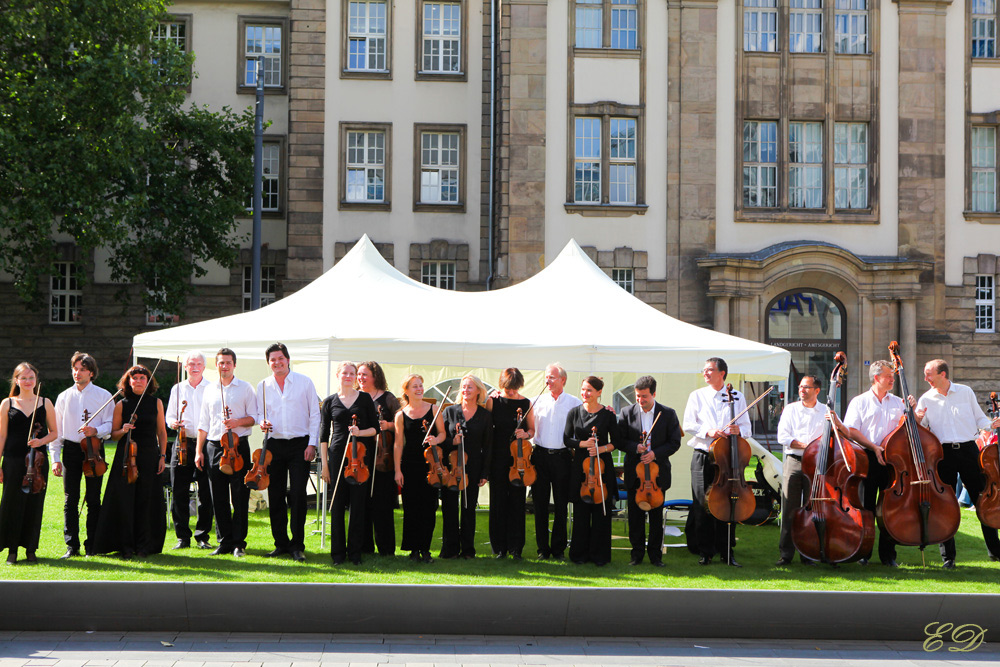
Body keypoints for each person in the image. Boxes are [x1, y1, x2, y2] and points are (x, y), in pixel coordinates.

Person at [915, 359, 1000, 567]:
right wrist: (916, 419)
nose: (925, 379)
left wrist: (991, 424)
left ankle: (995, 550)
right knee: (945, 505)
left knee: (982, 500)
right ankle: (948, 558)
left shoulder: (965, 392)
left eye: (929, 374)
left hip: (969, 451)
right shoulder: (925, 399)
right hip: (943, 455)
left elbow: (980, 419)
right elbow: (920, 431)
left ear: (942, 374)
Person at [830, 360, 903, 566]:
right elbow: (852, 430)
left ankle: (888, 556)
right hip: (867, 458)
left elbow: (903, 429)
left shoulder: (898, 402)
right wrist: (874, 447)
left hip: (892, 460)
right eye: (889, 375)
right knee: (868, 507)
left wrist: (913, 414)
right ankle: (865, 552)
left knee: (890, 509)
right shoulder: (859, 401)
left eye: (893, 375)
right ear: (877, 377)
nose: (892, 379)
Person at [91, 365, 169, 558]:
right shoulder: (121, 404)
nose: (139, 381)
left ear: (148, 381)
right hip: (126, 457)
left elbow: (161, 432)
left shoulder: (156, 403)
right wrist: (123, 430)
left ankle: (144, 545)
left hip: (150, 455)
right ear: (129, 381)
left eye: (143, 378)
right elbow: (113, 435)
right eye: (135, 378)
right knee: (125, 501)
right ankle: (126, 545)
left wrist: (163, 456)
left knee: (146, 499)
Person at [682, 357, 750, 567]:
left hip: (728, 458)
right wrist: (709, 431)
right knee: (702, 504)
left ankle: (726, 551)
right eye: (704, 370)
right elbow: (688, 424)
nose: (706, 373)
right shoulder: (697, 396)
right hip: (704, 454)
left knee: (728, 502)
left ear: (722, 373)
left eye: (710, 370)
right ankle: (705, 551)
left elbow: (747, 429)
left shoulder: (736, 397)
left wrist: (739, 430)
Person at [257, 343, 320, 563]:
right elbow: (258, 414)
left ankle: (297, 545)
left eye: (280, 358)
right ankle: (280, 544)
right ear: (268, 363)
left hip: (300, 445)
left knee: (298, 496)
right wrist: (261, 421)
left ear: (288, 359)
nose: (277, 362)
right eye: (272, 360)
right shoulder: (263, 386)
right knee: (275, 495)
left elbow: (315, 415)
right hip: (274, 445)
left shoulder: (304, 382)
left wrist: (312, 444)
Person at [52, 352, 114, 559]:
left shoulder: (104, 396)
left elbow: (110, 425)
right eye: (75, 369)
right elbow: (57, 431)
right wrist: (55, 459)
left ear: (91, 372)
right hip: (70, 449)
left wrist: (95, 430)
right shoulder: (63, 397)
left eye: (82, 369)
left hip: (94, 450)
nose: (77, 373)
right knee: (71, 499)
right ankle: (72, 546)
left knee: (94, 499)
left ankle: (92, 544)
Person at [196, 348, 257, 557]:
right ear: (217, 365)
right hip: (214, 445)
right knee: (218, 497)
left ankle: (239, 542)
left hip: (238, 446)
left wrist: (237, 422)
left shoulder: (245, 388)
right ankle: (224, 542)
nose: (224, 366)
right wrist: (199, 451)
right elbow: (203, 423)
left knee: (240, 495)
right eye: (221, 362)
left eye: (228, 362)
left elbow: (254, 418)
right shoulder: (209, 390)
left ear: (234, 365)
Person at [617, 375, 682, 567]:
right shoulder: (627, 412)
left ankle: (655, 556)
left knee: (655, 516)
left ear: (654, 394)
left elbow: (674, 442)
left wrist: (654, 454)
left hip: (657, 473)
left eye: (644, 396)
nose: (640, 400)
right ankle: (636, 554)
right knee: (635, 516)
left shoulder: (668, 414)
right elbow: (620, 440)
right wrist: (635, 448)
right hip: (634, 472)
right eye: (637, 396)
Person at [320, 361, 378, 565]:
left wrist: (359, 432)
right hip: (337, 456)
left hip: (359, 456)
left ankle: (355, 553)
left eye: (352, 373)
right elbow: (323, 435)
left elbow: (375, 429)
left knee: (358, 505)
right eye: (344, 373)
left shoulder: (364, 399)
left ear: (355, 377)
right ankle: (337, 554)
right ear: (338, 375)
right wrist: (325, 465)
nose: (348, 376)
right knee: (336, 505)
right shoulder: (329, 402)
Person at [0, 363, 58, 564]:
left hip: (38, 462)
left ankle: (31, 549)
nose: (27, 381)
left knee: (34, 504)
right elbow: (2, 436)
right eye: (23, 378)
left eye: (31, 377)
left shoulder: (45, 402)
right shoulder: (7, 404)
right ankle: (12, 550)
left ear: (36, 379)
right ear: (16, 380)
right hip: (13, 460)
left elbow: (55, 433)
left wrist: (40, 441)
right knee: (11, 504)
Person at [565, 376, 618, 566]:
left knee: (601, 513)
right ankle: (579, 554)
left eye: (589, 390)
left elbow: (617, 442)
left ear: (598, 392)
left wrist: (600, 449)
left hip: (602, 465)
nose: (585, 393)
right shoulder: (574, 412)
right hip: (581, 467)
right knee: (580, 512)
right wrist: (583, 444)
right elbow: (566, 439)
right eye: (583, 389)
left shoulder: (608, 415)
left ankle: (599, 555)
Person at [529, 363, 579, 561]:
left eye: (551, 377)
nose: (547, 381)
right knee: (539, 504)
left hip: (563, 458)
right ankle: (542, 549)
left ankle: (558, 549)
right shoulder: (536, 401)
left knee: (561, 504)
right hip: (539, 456)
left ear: (563, 380)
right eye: (546, 377)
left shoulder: (574, 403)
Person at [394, 373, 446, 563]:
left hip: (430, 463)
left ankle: (425, 549)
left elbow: (442, 434)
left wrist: (435, 439)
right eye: (414, 386)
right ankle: (413, 549)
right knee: (411, 507)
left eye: (420, 385)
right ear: (406, 390)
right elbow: (398, 444)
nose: (419, 389)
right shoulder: (400, 414)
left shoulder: (434, 409)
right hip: (409, 464)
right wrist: (397, 470)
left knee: (429, 507)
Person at [775, 374, 826, 566]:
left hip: (816, 463)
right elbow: (783, 436)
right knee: (790, 507)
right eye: (800, 387)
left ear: (817, 390)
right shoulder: (790, 409)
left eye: (806, 387)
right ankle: (786, 554)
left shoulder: (825, 411)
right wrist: (807, 446)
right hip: (794, 461)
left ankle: (808, 553)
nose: (802, 390)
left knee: (811, 509)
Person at [441, 374, 493, 559]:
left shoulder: (485, 416)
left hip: (473, 467)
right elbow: (440, 440)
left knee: (469, 508)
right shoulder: (450, 411)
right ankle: (449, 549)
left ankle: (468, 550)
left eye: (470, 387)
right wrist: (452, 441)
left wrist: (485, 472)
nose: (465, 390)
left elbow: (488, 446)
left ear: (478, 390)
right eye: (463, 386)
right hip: (452, 465)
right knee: (449, 507)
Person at [165, 351, 214, 550]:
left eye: (198, 363)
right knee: (179, 491)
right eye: (190, 363)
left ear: (204, 366)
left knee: (206, 492)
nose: (194, 367)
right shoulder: (177, 388)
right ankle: (182, 537)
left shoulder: (211, 388)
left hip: (205, 443)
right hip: (182, 442)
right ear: (185, 367)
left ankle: (202, 536)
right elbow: (168, 417)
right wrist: (173, 423)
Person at [487, 368, 534, 560]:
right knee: (497, 502)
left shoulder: (526, 403)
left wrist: (526, 434)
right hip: (497, 457)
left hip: (519, 459)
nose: (512, 392)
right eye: (508, 388)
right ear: (502, 385)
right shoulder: (493, 401)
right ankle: (499, 548)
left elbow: (532, 430)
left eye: (515, 388)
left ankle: (516, 548)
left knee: (516, 502)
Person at [358, 361, 401, 557]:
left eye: (365, 374)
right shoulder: (356, 397)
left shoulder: (389, 399)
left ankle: (386, 548)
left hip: (383, 457)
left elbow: (401, 424)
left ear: (375, 376)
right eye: (359, 374)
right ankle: (365, 547)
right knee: (363, 502)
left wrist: (388, 425)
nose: (360, 378)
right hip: (360, 456)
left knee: (382, 504)